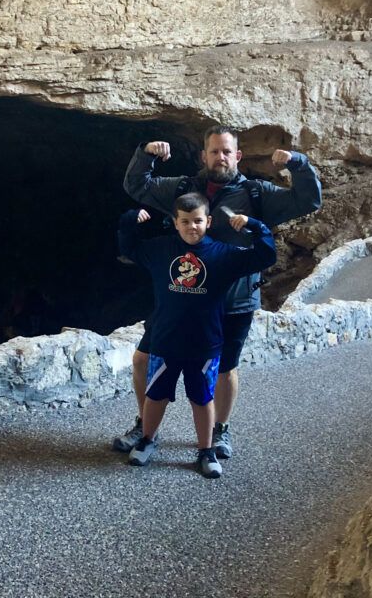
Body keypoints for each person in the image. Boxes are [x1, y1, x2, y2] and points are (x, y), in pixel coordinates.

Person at [116, 125, 322, 459]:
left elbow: (309, 199)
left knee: (224, 369)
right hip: (180, 297)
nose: (220, 157)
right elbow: (136, 184)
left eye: (227, 151)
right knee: (143, 359)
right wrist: (145, 154)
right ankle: (146, 426)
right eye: (214, 151)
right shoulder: (184, 189)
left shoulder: (256, 193)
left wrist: (298, 163)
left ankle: (219, 431)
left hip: (233, 301)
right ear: (204, 155)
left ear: (237, 156)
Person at [117, 193, 276, 478]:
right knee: (155, 395)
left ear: (209, 221)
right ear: (175, 223)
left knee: (202, 399)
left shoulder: (223, 254)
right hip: (165, 340)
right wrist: (130, 220)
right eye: (186, 221)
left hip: (206, 343)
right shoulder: (161, 250)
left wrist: (256, 226)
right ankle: (148, 439)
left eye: (198, 221)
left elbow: (265, 256)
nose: (192, 227)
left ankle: (206, 450)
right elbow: (128, 246)